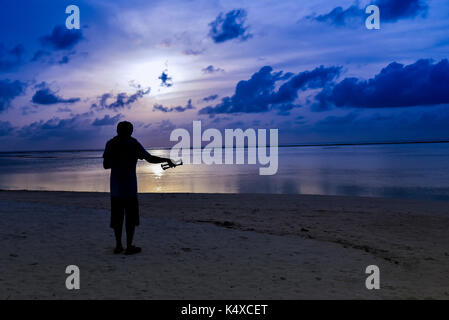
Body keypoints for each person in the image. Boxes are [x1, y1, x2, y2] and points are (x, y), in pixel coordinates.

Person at [103, 121, 176, 255]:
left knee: (117, 219)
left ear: (117, 130)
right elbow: (150, 158)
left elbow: (105, 165)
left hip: (115, 189)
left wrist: (116, 160)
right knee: (130, 219)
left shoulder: (110, 143)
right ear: (130, 131)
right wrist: (166, 160)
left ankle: (118, 246)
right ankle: (129, 246)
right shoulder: (133, 143)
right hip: (130, 189)